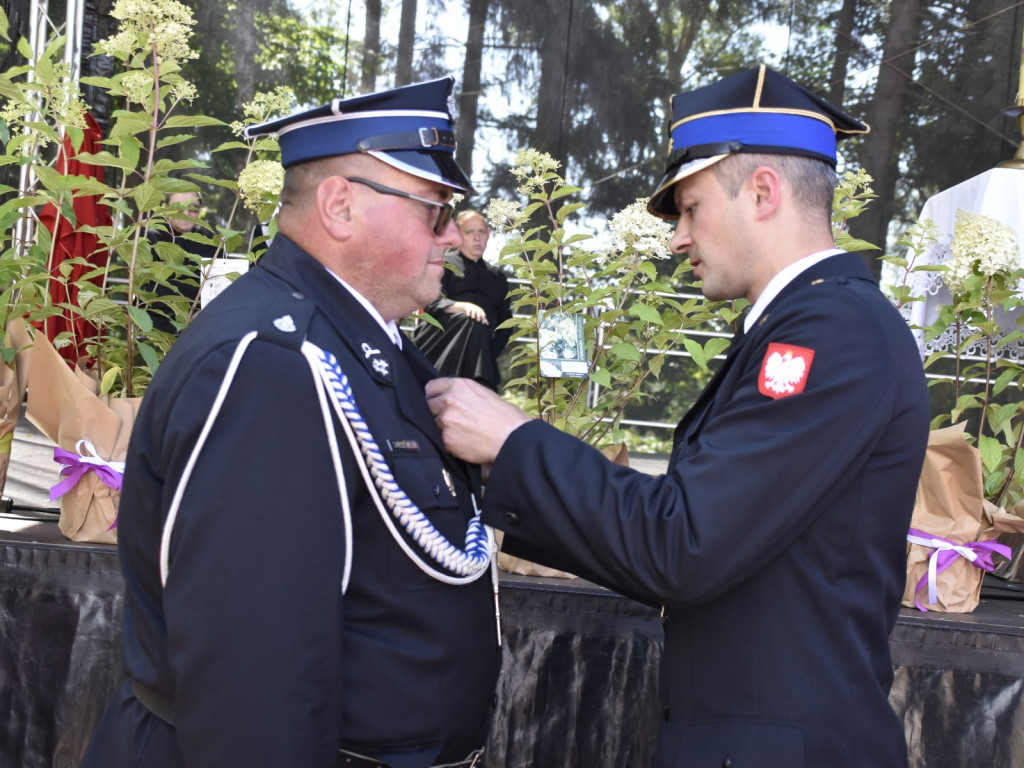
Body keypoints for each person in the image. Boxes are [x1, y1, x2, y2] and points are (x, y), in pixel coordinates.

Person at [426, 65, 930, 768]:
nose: (676, 239)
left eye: (690, 208)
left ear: (762, 192)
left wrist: (515, 443)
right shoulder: (799, 323)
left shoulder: (832, 332)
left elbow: (685, 543)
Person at [81, 77, 500, 768]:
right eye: (435, 211)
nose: (453, 237)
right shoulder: (271, 363)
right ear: (340, 206)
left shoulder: (363, 342)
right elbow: (254, 683)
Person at [410, 210, 511, 390]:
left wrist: (487, 354)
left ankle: (475, 380)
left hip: (479, 353)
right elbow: (430, 302)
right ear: (458, 234)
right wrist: (461, 307)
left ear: (488, 234)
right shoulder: (443, 263)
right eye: (469, 232)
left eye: (481, 232)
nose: (476, 238)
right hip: (439, 343)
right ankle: (479, 387)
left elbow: (506, 325)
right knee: (471, 320)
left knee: (479, 326)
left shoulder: (498, 278)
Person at [146, 190, 217, 334]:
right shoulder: (148, 239)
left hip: (199, 327)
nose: (185, 214)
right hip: (154, 327)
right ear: (165, 209)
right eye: (178, 208)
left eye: (192, 208)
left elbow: (218, 287)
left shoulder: (212, 243)